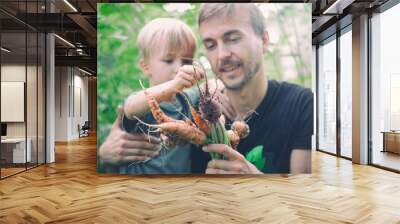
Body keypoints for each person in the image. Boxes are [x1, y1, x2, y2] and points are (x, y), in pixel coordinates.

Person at [189, 3, 313, 174]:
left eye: (233, 39)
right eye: (211, 45)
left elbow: (304, 194)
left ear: (264, 41)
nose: (221, 55)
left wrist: (255, 183)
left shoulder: (302, 104)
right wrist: (140, 143)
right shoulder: (198, 108)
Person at [98, 18, 203, 174]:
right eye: (168, 60)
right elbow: (131, 108)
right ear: (146, 66)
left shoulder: (188, 100)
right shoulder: (141, 100)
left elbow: (210, 88)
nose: (179, 68)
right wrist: (174, 84)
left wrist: (212, 83)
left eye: (186, 61)